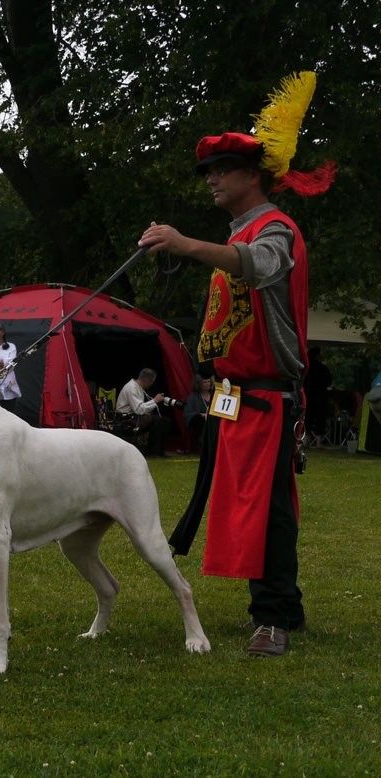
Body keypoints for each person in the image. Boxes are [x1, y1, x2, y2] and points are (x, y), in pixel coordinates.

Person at [139, 72, 336, 657]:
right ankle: (283, 607)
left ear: (253, 175)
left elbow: (259, 265)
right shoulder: (241, 232)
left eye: (222, 169)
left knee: (268, 509)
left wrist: (185, 244)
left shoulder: (275, 229)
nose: (211, 179)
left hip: (267, 396)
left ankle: (273, 619)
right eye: (209, 171)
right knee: (246, 504)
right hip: (234, 396)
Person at [115, 368, 172, 457]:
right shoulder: (131, 388)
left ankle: (158, 451)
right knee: (159, 421)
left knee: (164, 421)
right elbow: (139, 409)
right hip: (126, 420)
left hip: (133, 417)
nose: (152, 384)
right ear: (147, 380)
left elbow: (139, 408)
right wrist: (155, 400)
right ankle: (154, 452)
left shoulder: (137, 387)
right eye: (152, 382)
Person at [304, 346, 332, 447]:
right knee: (320, 418)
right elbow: (329, 382)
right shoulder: (323, 368)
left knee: (307, 417)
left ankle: (306, 439)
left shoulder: (306, 367)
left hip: (308, 395)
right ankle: (318, 442)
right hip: (320, 396)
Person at [183, 375, 213, 453]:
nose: (207, 384)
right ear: (199, 384)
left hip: (213, 418)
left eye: (209, 381)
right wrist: (202, 414)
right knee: (200, 421)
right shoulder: (193, 397)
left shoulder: (214, 395)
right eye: (204, 382)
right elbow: (188, 413)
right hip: (200, 420)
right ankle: (203, 445)